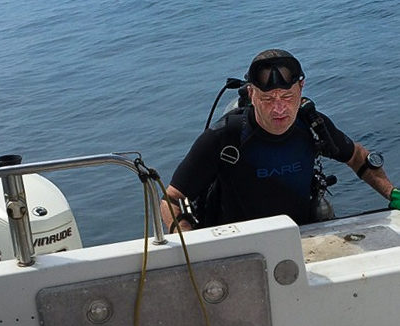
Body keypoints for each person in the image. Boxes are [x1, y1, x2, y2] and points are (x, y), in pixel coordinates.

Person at [160, 49, 400, 232]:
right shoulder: (225, 137)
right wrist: (189, 243)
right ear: (252, 94)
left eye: (287, 96)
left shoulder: (312, 125)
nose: (279, 108)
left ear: (301, 88)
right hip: (238, 244)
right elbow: (171, 199)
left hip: (302, 236)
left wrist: (392, 194)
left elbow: (358, 158)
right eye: (267, 99)